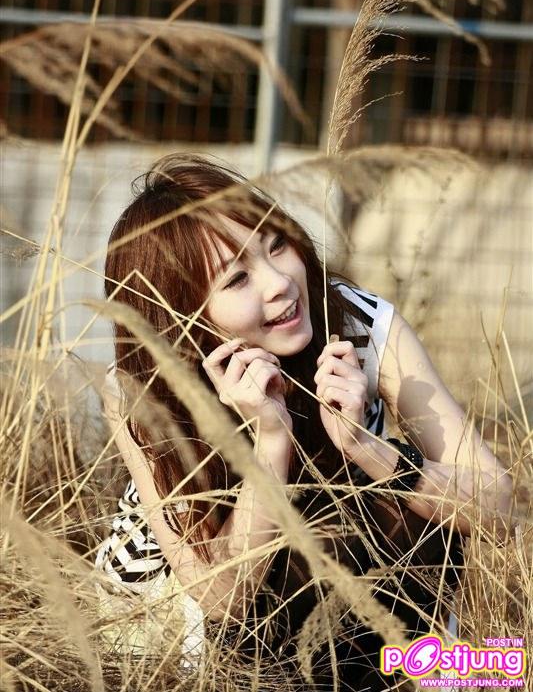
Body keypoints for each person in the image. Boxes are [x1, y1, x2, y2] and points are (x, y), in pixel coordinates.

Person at [95, 153, 513, 691]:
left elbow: (497, 508)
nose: (279, 283)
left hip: (329, 592)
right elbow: (220, 597)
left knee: (415, 511)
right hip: (171, 630)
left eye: (277, 245)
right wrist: (271, 441)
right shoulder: (141, 387)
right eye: (237, 279)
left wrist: (367, 448)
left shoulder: (358, 323)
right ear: (184, 314)